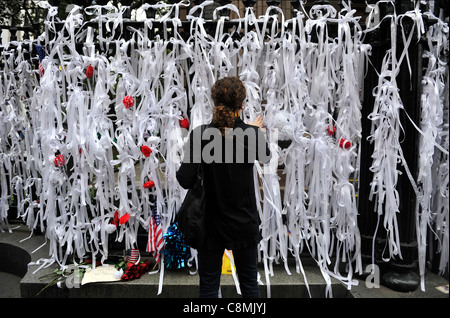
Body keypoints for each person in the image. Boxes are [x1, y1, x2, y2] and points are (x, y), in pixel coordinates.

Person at [176, 76, 271, 298]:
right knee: (249, 283)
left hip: (209, 223)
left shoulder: (200, 135)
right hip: (243, 221)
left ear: (214, 101)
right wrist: (254, 132)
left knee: (209, 285)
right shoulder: (251, 134)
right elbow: (266, 158)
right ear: (242, 103)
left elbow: (184, 179)